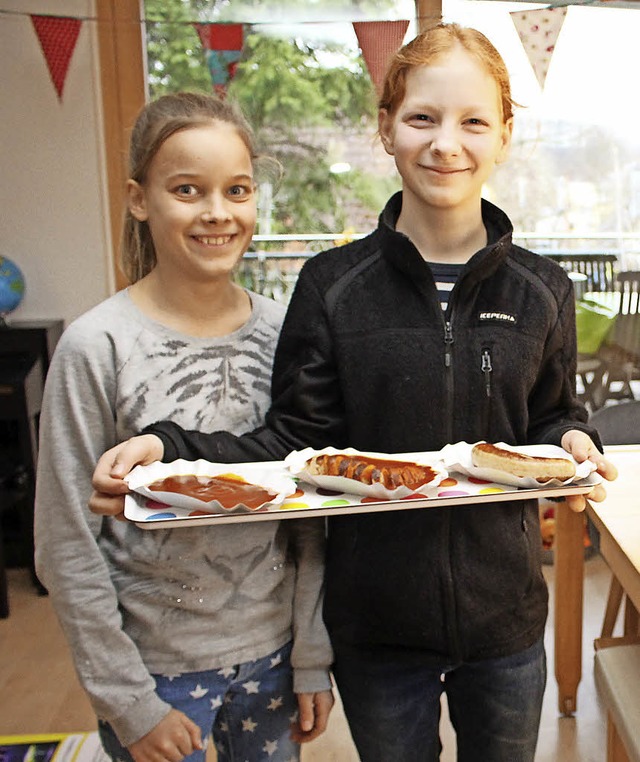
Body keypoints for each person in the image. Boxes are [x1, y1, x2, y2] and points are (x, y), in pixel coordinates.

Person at [89, 26, 618, 762]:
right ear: (386, 127)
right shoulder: (331, 287)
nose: (446, 143)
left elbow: (554, 413)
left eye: (473, 121)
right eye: (422, 118)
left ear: (504, 135)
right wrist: (169, 447)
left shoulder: (542, 292)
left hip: (507, 624)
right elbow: (290, 445)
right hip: (375, 629)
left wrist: (572, 439)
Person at [34, 92, 334, 762]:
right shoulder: (96, 346)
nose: (218, 213)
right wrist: (128, 703)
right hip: (155, 673)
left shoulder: (292, 332)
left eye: (237, 189)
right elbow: (65, 540)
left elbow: (314, 499)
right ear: (141, 199)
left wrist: (312, 655)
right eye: (188, 190)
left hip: (275, 661)